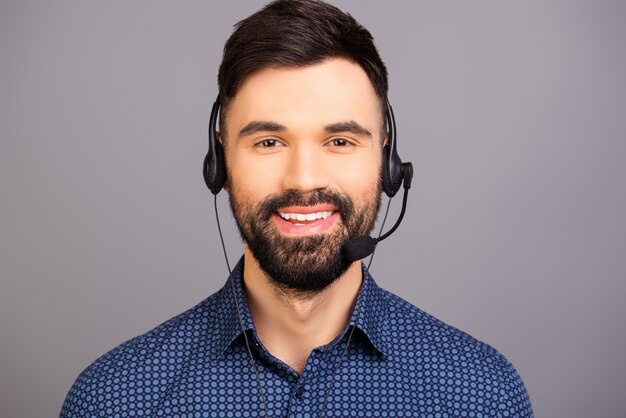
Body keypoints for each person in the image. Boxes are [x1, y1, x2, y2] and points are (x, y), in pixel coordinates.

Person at [61, 1, 533, 416]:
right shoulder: (114, 401)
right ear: (220, 158)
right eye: (269, 141)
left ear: (386, 161)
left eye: (340, 141)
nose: (303, 179)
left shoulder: (481, 395)